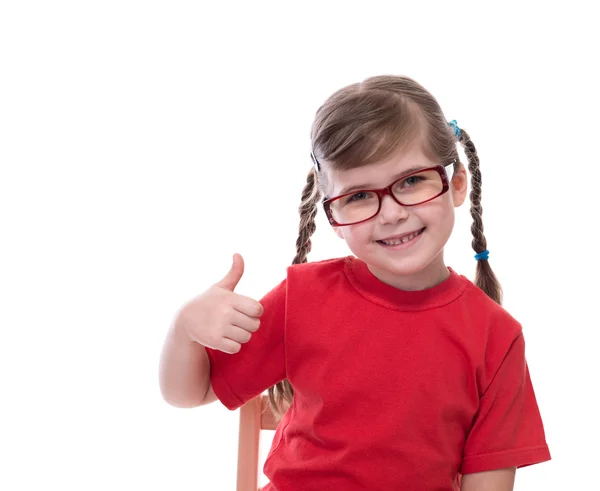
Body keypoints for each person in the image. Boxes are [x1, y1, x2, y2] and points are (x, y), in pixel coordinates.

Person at [159, 75, 551, 490]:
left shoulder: (497, 337)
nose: (391, 213)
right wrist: (185, 328)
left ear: (455, 184)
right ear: (334, 219)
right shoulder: (302, 298)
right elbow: (188, 392)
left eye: (412, 180)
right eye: (360, 196)